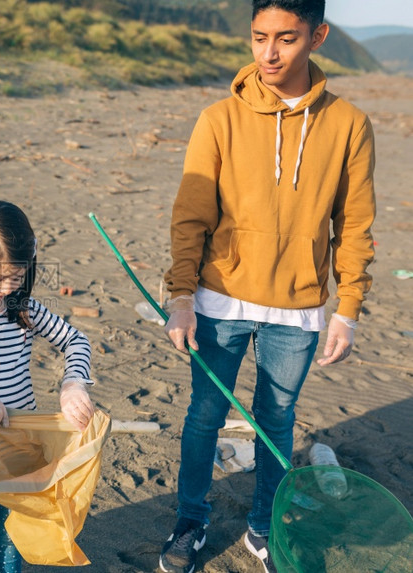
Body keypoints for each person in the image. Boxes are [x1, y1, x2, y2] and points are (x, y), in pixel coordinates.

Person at [159, 1, 375, 572]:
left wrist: (346, 309)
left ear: (318, 36)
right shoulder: (218, 119)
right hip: (218, 299)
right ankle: (190, 522)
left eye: (286, 38)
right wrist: (180, 296)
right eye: (259, 38)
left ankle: (263, 526)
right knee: (205, 415)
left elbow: (353, 226)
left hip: (298, 308)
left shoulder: (349, 124)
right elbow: (190, 217)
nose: (269, 53)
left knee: (276, 420)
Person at [0, 200, 96, 573]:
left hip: (16, 451)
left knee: (11, 532)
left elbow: (76, 341)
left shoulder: (23, 309)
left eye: (15, 276)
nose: (4, 288)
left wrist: (73, 384)